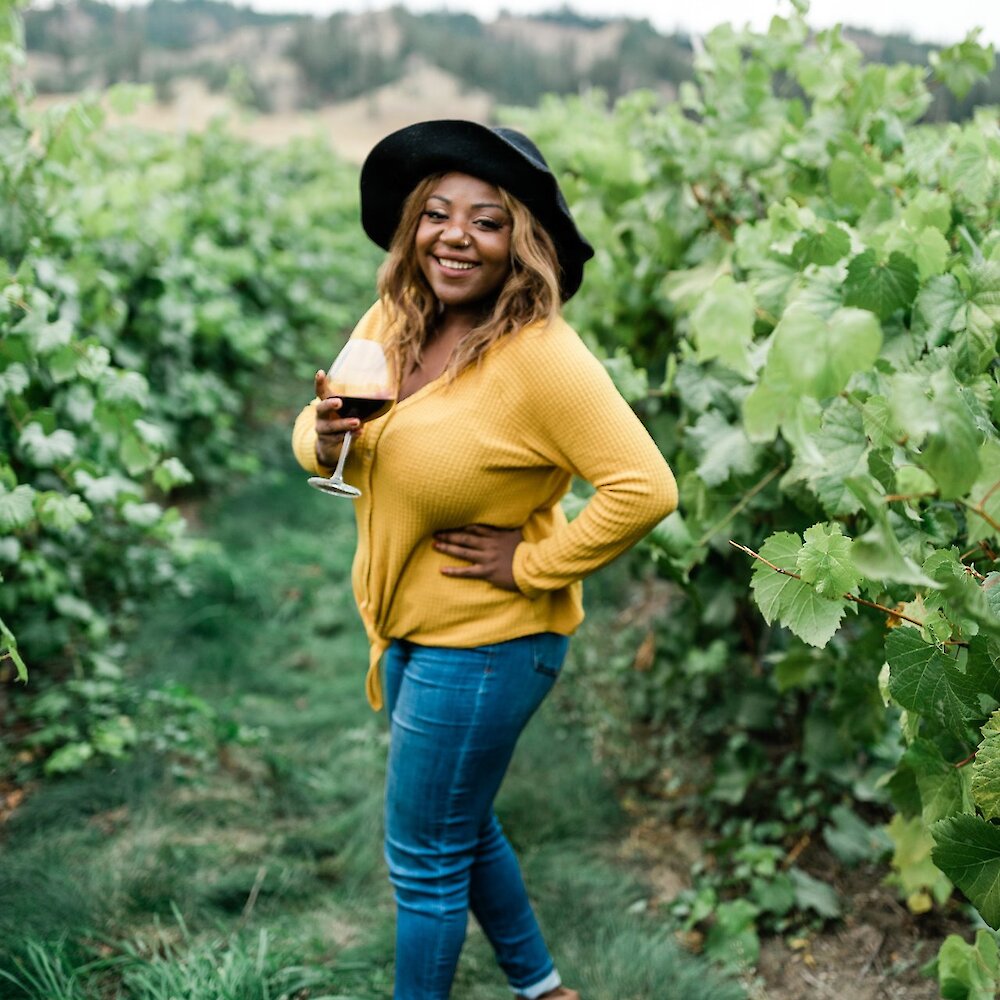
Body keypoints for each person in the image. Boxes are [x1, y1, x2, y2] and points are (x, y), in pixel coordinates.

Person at [291, 120, 678, 1000]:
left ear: (521, 243)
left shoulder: (541, 359)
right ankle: (542, 989)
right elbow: (318, 439)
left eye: (486, 220)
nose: (454, 236)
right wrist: (321, 438)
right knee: (460, 825)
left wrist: (535, 561)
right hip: (419, 628)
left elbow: (645, 487)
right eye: (436, 213)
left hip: (489, 642)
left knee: (423, 858)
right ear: (411, 227)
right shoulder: (394, 319)